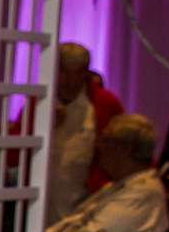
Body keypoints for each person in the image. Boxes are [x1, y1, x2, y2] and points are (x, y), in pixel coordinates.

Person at [40, 42, 122, 219]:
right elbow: (14, 155)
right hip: (39, 206)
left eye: (77, 73)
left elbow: (122, 154)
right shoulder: (38, 102)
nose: (71, 81)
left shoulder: (105, 104)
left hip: (86, 208)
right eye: (64, 72)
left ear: (86, 73)